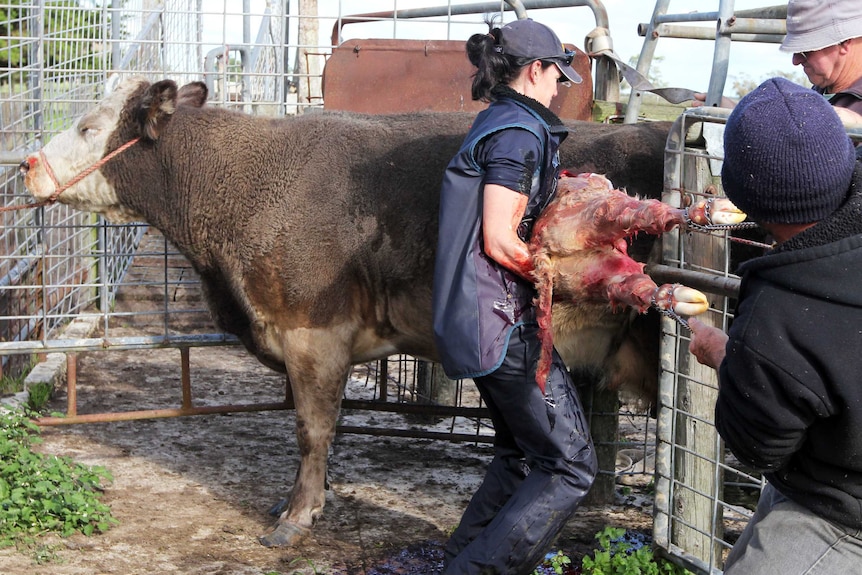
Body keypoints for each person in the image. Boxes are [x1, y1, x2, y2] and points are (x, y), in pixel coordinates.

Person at [432, 17, 597, 575]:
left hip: (476, 315)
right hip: (501, 319)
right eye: (558, 77)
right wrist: (567, 279)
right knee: (570, 465)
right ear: (535, 70)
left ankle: (460, 559)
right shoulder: (517, 133)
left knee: (518, 454)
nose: (559, 88)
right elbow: (501, 238)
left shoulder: (500, 121)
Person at [688, 77, 862, 574]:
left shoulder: (776, 318)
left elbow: (760, 446)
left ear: (742, 197)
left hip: (845, 513)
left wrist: (728, 357)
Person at [695, 0, 862, 124]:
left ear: (845, 41)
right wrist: (738, 111)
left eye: (807, 50)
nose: (796, 61)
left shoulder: (856, 109)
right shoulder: (822, 92)